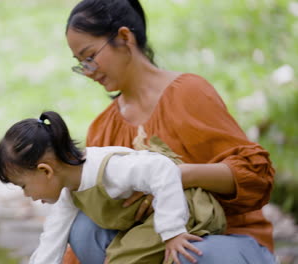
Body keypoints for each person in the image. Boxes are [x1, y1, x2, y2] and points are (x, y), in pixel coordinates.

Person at [63, 0, 276, 263]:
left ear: (124, 37)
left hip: (222, 239)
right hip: (146, 247)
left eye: (90, 57)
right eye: (80, 63)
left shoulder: (188, 93)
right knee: (84, 228)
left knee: (186, 254)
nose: (87, 72)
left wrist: (177, 176)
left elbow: (257, 176)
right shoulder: (104, 128)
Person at [0, 111, 226, 264]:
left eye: (24, 186)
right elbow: (52, 240)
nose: (27, 195)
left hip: (182, 208)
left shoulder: (109, 168)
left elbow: (163, 169)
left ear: (46, 171)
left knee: (122, 260)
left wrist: (173, 231)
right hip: (146, 221)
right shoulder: (69, 191)